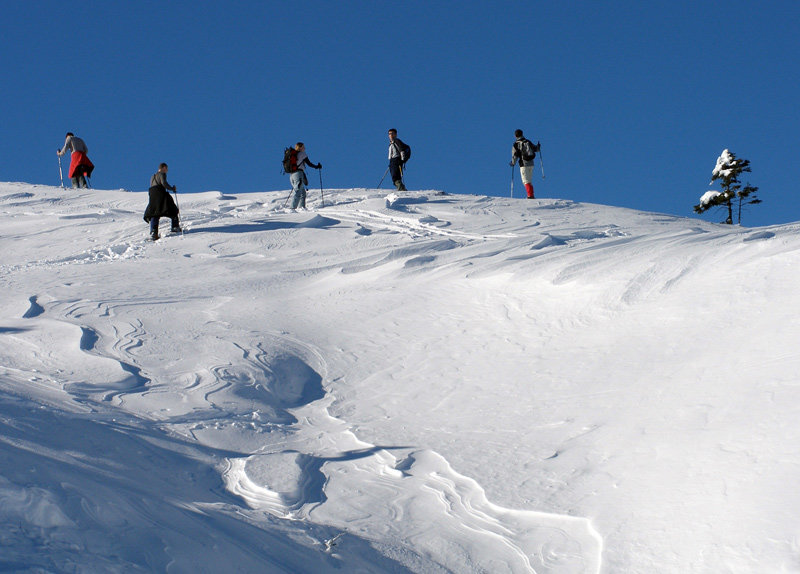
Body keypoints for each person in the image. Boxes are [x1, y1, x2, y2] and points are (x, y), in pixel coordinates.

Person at [143, 163, 181, 240]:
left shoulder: (152, 176)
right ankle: (175, 226)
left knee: (155, 213)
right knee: (172, 208)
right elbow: (164, 183)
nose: (167, 171)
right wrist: (172, 188)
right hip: (160, 193)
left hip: (153, 195)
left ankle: (154, 232)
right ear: (164, 168)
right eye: (166, 169)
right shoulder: (162, 174)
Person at [289, 142, 321, 210]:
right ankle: (292, 208)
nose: (305, 148)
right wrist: (317, 166)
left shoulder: (293, 154)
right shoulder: (302, 154)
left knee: (302, 193)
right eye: (303, 147)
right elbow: (309, 163)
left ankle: (302, 208)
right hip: (298, 174)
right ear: (300, 147)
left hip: (292, 175)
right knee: (298, 191)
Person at [510, 129, 541, 199]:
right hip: (531, 163)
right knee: (529, 180)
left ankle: (530, 196)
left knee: (525, 181)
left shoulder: (516, 144)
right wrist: (538, 146)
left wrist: (512, 163)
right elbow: (536, 149)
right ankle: (531, 194)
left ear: (515, 136)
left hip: (523, 164)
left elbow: (515, 155)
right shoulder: (528, 141)